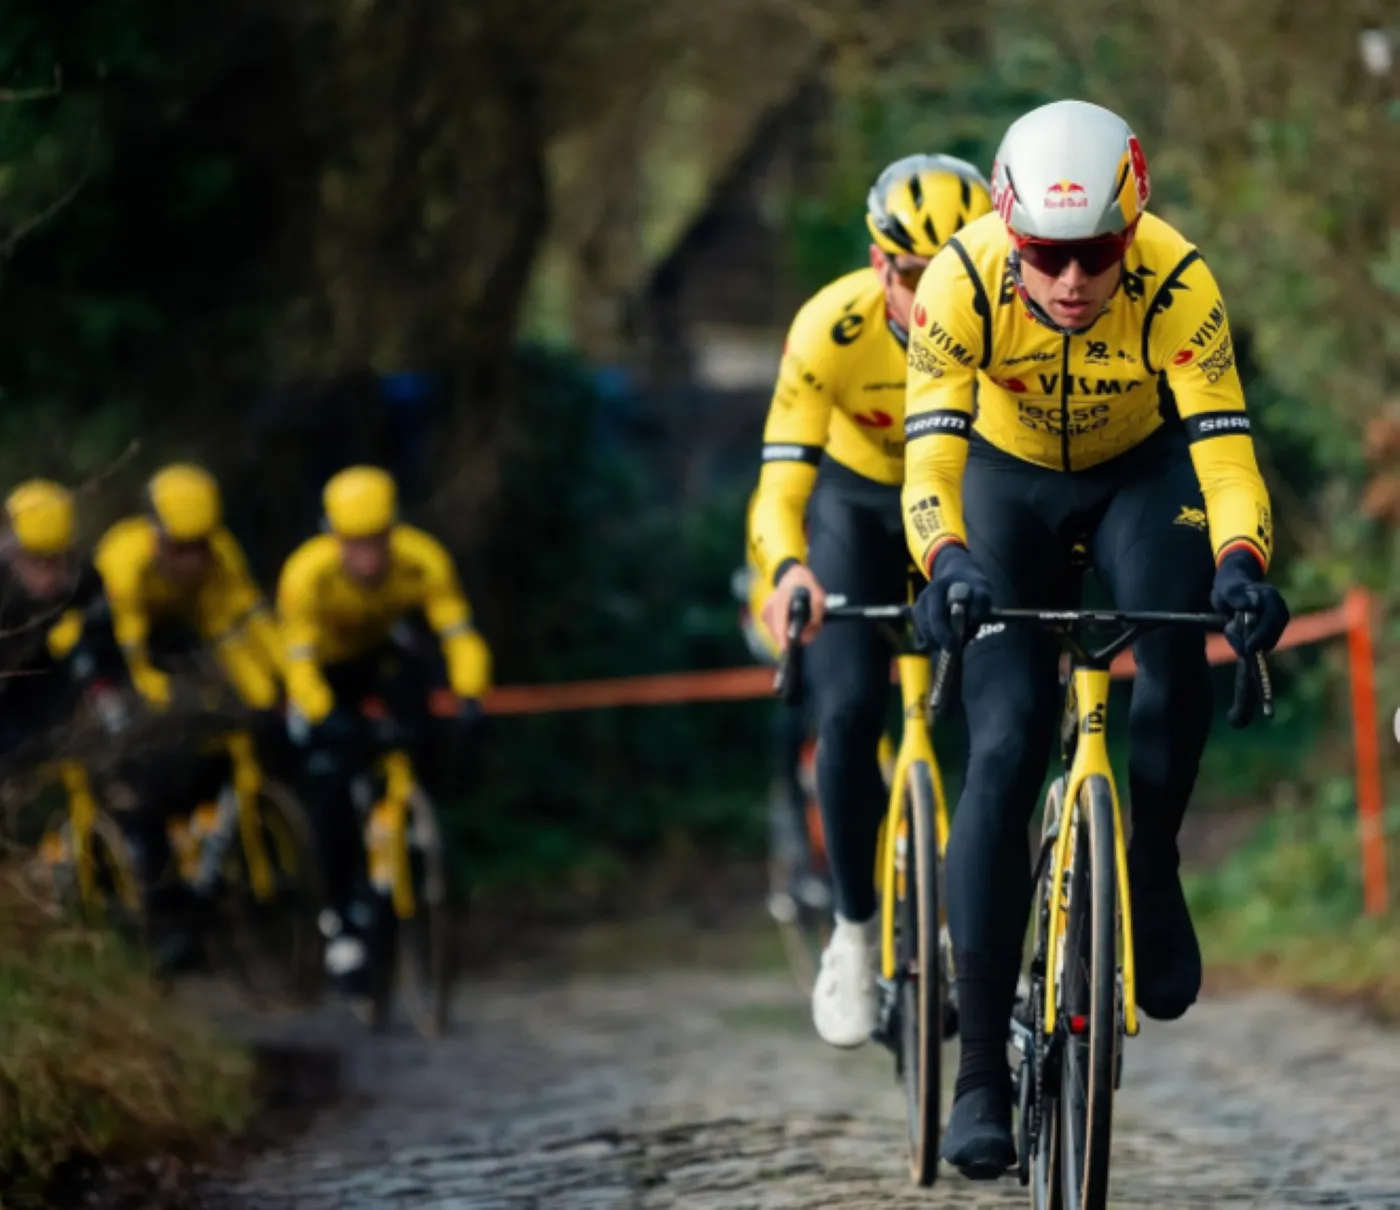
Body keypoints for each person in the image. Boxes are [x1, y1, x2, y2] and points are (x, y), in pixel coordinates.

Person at [899, 99, 1290, 1176]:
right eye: (1045, 258)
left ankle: (1149, 867)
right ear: (1003, 228)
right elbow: (927, 464)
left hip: (1138, 472)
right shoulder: (958, 283)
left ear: (1134, 223)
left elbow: (1220, 452)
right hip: (1004, 481)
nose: (1071, 283)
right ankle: (980, 1072)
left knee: (1173, 651)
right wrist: (947, 562)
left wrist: (1241, 563)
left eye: (1096, 254)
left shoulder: (1176, 280)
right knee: (1005, 742)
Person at [748, 152, 993, 1047]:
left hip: (961, 513)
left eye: (954, 276)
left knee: (991, 713)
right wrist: (786, 572)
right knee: (846, 710)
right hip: (856, 511)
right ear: (877, 263)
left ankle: (986, 928)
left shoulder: (1008, 318)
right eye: (917, 278)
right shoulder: (830, 328)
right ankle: (853, 935)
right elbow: (780, 485)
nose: (934, 299)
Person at [277, 465, 492, 993]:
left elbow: (459, 633)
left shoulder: (423, 560)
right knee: (329, 782)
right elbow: (296, 660)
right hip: (323, 674)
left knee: (425, 725)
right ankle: (338, 917)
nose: (368, 557)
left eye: (377, 542)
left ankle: (420, 841)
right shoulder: (306, 575)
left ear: (392, 531)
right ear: (334, 538)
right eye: (355, 544)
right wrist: (322, 712)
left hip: (381, 660)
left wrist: (470, 692)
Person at [94, 463, 286, 967]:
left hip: (180, 641)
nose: (190, 562)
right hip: (117, 649)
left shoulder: (220, 555)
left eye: (200, 546)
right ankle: (157, 903)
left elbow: (239, 624)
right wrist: (149, 695)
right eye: (179, 548)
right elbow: (128, 644)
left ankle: (206, 863)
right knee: (146, 773)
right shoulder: (125, 556)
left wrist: (272, 687)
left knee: (226, 730)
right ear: (154, 531)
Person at [731, 489, 826, 923]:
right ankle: (796, 873)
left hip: (836, 645)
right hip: (788, 648)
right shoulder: (772, 504)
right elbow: (759, 589)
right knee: (786, 756)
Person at [0, 480, 107, 761]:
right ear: (10, 548)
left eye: (58, 559)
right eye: (36, 560)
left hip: (39, 673)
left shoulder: (81, 583)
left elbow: (99, 625)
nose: (48, 576)